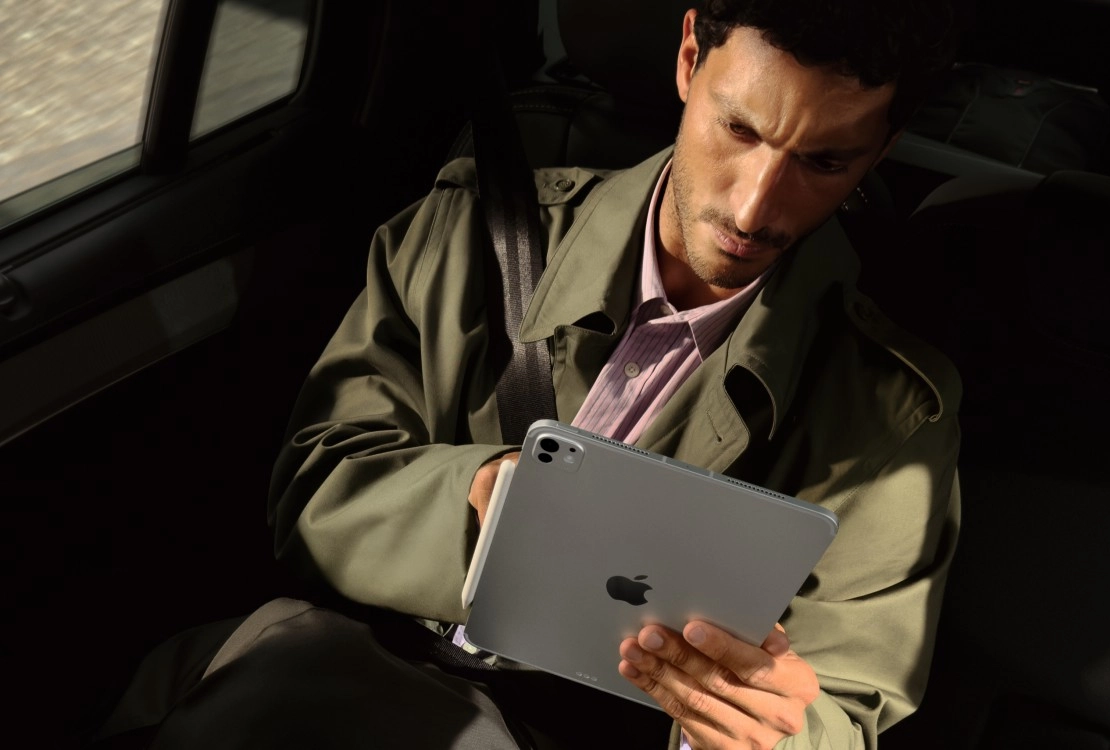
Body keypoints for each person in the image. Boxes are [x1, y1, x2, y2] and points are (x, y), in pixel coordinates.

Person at [96, 2, 962, 748]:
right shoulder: (469, 231)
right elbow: (316, 488)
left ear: (878, 152)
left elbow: (843, 711)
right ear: (690, 55)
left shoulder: (889, 415)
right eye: (739, 129)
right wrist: (476, 492)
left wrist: (761, 727)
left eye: (823, 164)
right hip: (345, 664)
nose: (753, 206)